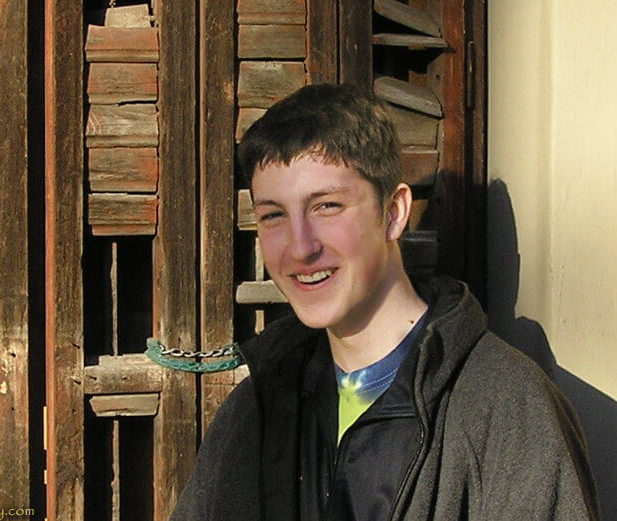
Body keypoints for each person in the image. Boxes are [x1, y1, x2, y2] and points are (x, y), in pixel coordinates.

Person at [169, 84, 600, 521]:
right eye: (273, 215)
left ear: (394, 212)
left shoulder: (509, 410)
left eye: (327, 206)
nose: (299, 248)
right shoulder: (254, 412)